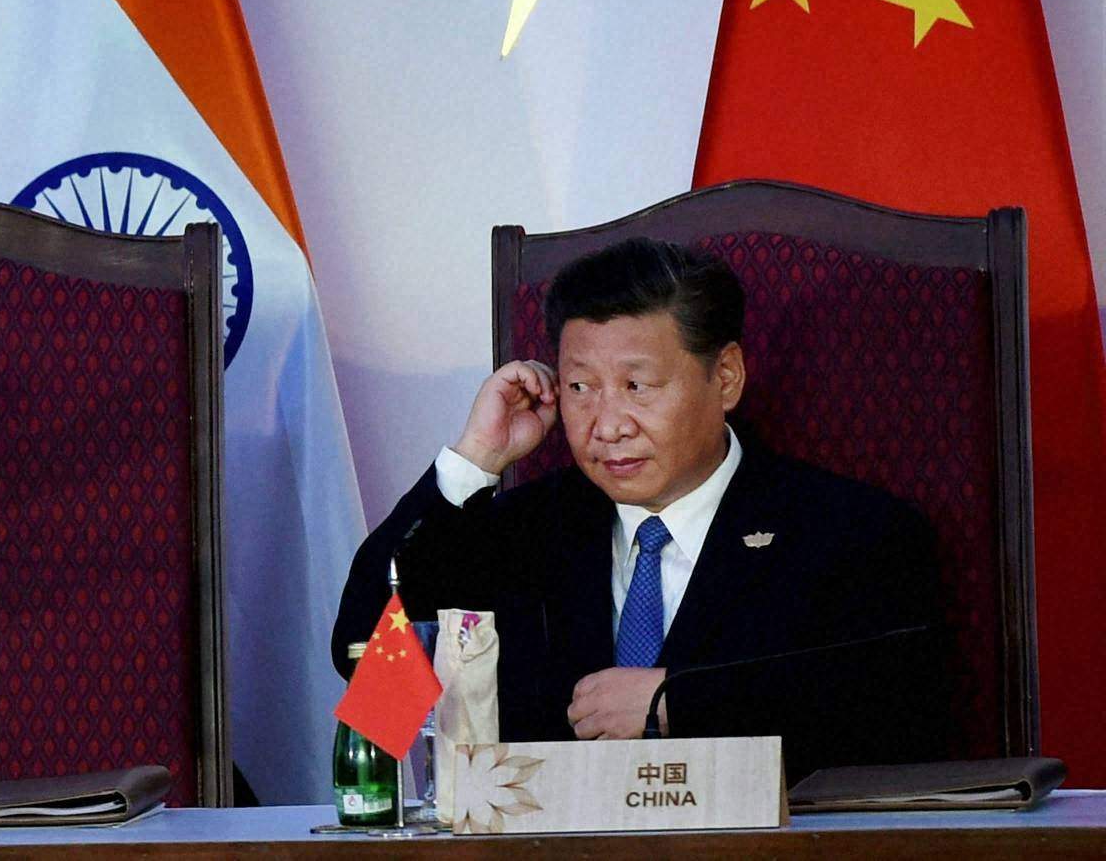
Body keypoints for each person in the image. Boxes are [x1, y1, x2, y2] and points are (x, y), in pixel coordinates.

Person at [332, 237, 945, 780]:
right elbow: (373, 675)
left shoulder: (850, 532)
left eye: (637, 385)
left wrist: (681, 703)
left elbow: (902, 718)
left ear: (726, 376)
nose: (607, 425)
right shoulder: (518, 533)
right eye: (580, 388)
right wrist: (475, 460)